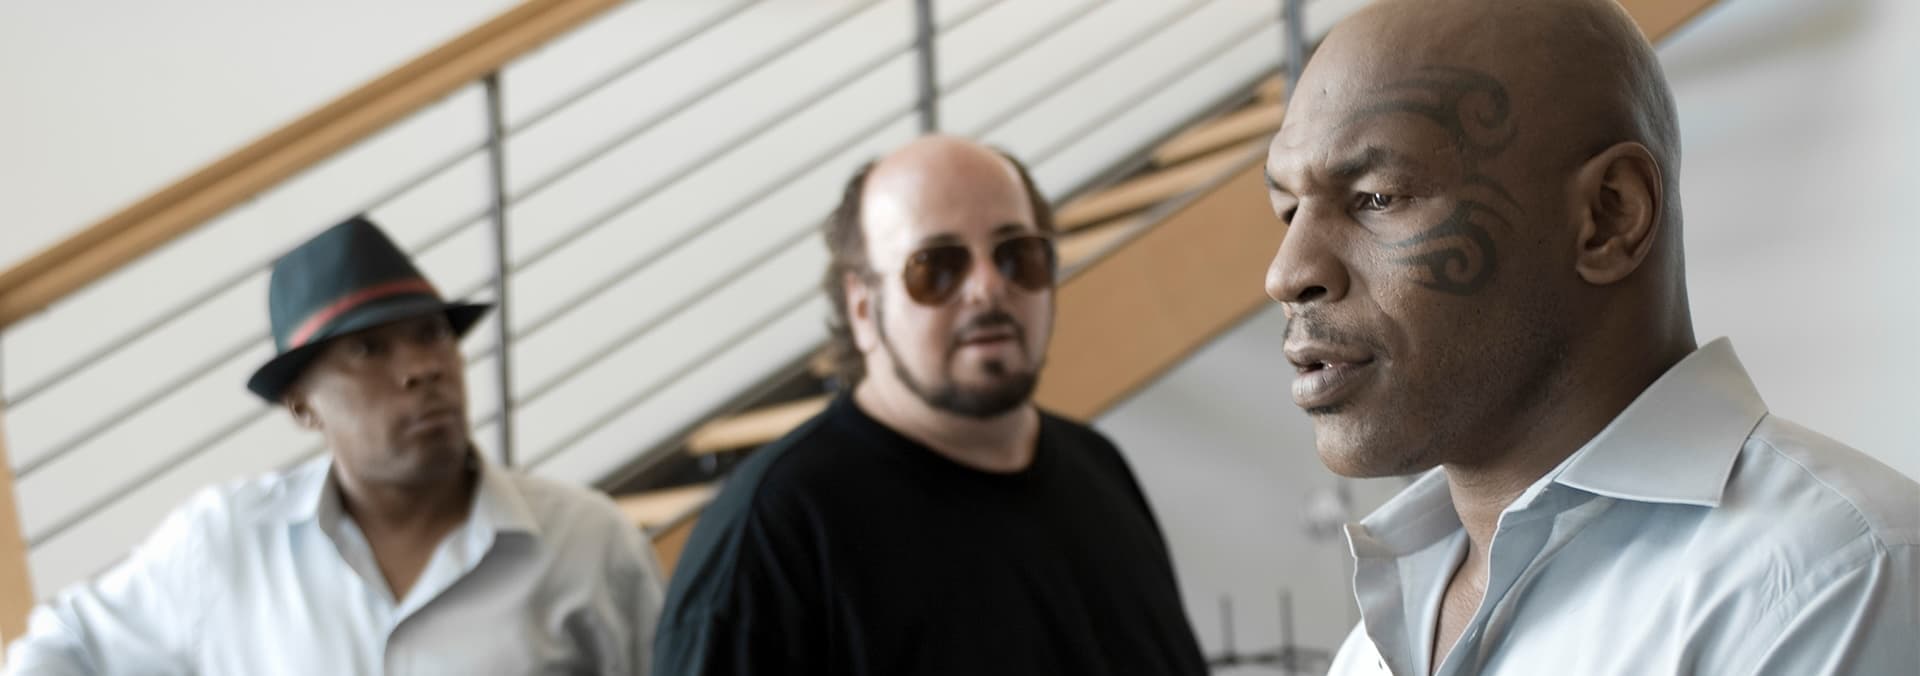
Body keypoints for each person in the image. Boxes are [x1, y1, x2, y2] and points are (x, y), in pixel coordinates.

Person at [1260, 0, 1920, 673]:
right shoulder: (1373, 645)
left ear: (1610, 217)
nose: (1286, 273)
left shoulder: (1834, 578)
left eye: (1377, 197)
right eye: (1287, 210)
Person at [5, 216, 663, 675]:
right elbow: (60, 649)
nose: (422, 368)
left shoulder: (588, 543)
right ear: (302, 406)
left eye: (433, 335)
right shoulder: (225, 547)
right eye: (369, 349)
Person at [653, 136, 1208, 675]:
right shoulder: (775, 533)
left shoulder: (1099, 467)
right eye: (936, 266)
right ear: (863, 307)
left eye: (1018, 255)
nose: (988, 287)